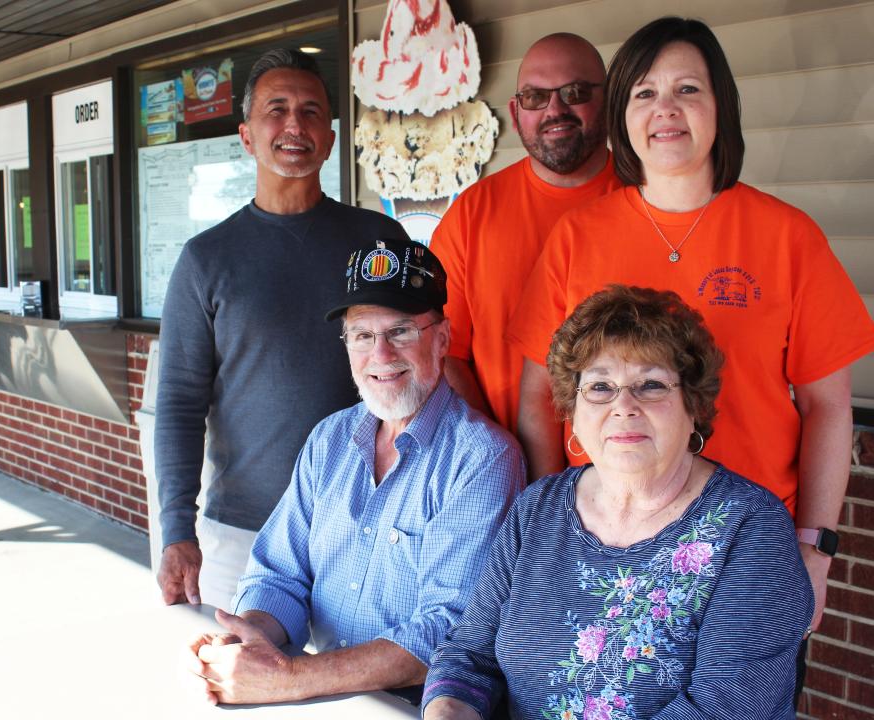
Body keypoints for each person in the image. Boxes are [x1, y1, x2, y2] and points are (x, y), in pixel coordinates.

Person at [509, 17, 874, 638]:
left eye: (688, 90)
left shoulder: (787, 236)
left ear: (722, 107)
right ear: (623, 113)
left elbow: (829, 407)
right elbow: (537, 398)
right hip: (605, 544)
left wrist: (815, 549)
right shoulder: (576, 237)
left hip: (748, 551)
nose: (665, 109)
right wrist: (553, 528)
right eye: (645, 92)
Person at [423, 285, 814, 720]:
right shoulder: (537, 510)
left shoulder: (751, 527)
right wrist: (447, 708)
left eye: (650, 384)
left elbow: (723, 709)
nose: (623, 406)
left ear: (693, 407)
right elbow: (468, 655)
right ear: (573, 410)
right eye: (600, 387)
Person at [186, 238, 525, 705]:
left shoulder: (483, 459)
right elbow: (279, 573)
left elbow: (446, 631)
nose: (381, 355)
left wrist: (287, 677)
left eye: (401, 331)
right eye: (363, 335)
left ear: (443, 338)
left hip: (414, 705)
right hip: (320, 692)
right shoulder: (330, 440)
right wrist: (253, 640)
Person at [155, 49, 411, 609]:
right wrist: (176, 529)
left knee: (373, 693)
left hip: (370, 522)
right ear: (247, 136)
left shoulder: (379, 241)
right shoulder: (207, 259)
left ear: (331, 136)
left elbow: (420, 368)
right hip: (245, 531)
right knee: (245, 678)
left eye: (311, 111)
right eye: (277, 109)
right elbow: (178, 402)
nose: (295, 124)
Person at [430, 32, 620, 437]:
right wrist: (498, 451)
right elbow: (445, 352)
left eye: (574, 92)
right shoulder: (471, 214)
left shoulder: (647, 199)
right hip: (507, 466)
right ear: (516, 115)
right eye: (535, 97)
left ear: (608, 101)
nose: (556, 109)